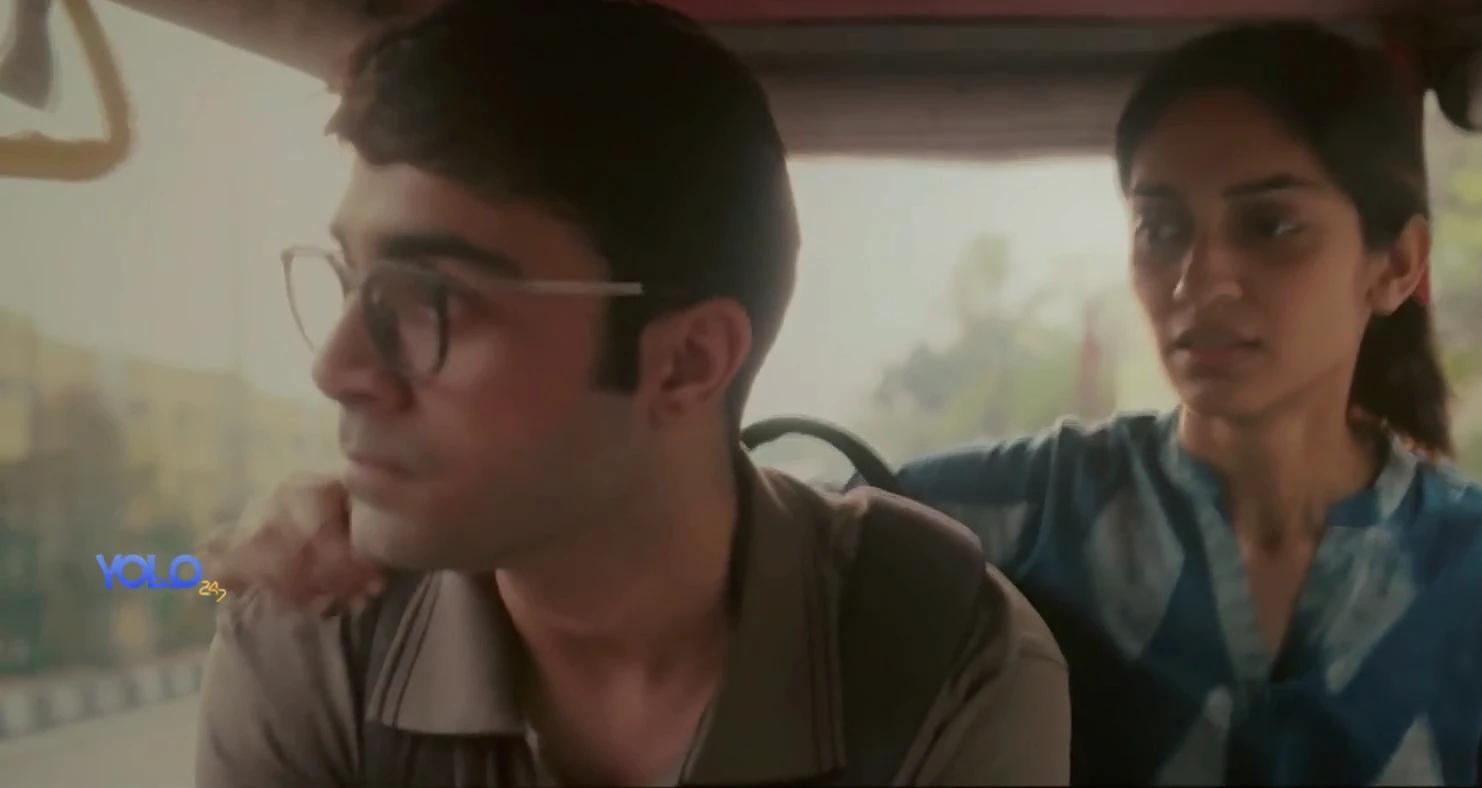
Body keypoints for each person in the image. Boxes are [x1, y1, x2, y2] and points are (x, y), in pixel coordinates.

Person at [201, 18, 1482, 788]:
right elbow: (726, 513)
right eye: (1161, 226)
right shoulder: (996, 517)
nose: (1201, 280)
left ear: (1395, 264)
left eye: (1273, 226)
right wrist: (340, 510)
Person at [191, 1, 1069, 786]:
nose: (337, 366)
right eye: (352, 280)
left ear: (686, 362)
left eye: (431, 300)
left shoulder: (945, 657)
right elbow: (202, 591)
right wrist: (224, 596)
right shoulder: (313, 629)